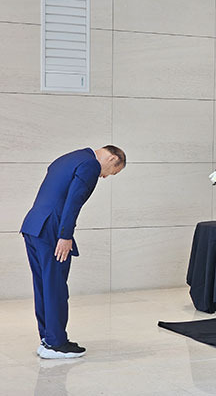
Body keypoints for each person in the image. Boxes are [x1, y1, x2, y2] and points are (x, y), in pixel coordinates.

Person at [21, 146, 126, 359]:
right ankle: (56, 343)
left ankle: (47, 339)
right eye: (111, 171)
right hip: (52, 230)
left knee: (44, 286)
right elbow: (73, 202)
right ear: (112, 157)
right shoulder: (90, 164)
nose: (105, 176)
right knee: (56, 286)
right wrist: (65, 235)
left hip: (33, 225)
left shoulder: (67, 158)